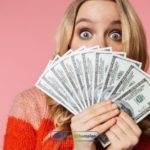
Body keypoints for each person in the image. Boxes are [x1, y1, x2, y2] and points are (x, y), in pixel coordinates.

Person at [4, 0, 150, 149]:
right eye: (85, 33)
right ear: (68, 43)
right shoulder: (31, 106)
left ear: (132, 44)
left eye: (116, 34)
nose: (99, 45)